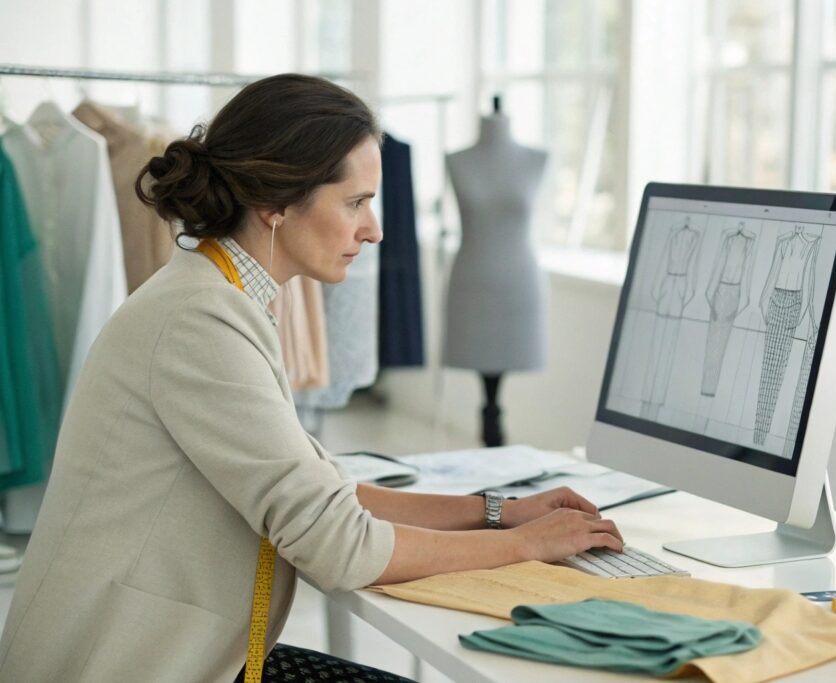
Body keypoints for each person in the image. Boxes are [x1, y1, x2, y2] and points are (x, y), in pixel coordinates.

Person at [0, 74, 623, 683]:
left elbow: (325, 492)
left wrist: (497, 512)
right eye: (356, 202)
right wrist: (528, 545)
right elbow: (341, 545)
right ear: (275, 201)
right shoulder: (200, 320)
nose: (374, 229)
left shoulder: (223, 293)